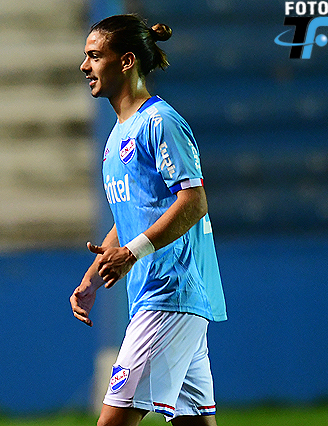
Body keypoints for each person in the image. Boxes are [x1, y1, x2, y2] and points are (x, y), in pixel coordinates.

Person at [70, 14, 227, 426]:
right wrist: (91, 278)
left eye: (94, 56)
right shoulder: (117, 135)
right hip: (160, 296)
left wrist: (132, 253)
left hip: (168, 294)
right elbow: (133, 215)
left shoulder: (160, 122)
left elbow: (193, 202)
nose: (84, 66)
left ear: (125, 61)